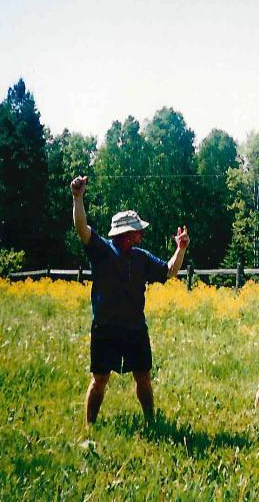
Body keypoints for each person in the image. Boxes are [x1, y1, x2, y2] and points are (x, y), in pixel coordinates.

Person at [70, 175, 190, 425]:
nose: (141, 235)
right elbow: (82, 228)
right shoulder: (101, 250)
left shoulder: (141, 257)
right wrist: (77, 198)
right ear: (126, 234)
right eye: (138, 231)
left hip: (135, 327)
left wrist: (181, 248)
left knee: (143, 377)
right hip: (105, 328)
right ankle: (89, 426)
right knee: (99, 379)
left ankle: (151, 421)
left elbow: (169, 271)